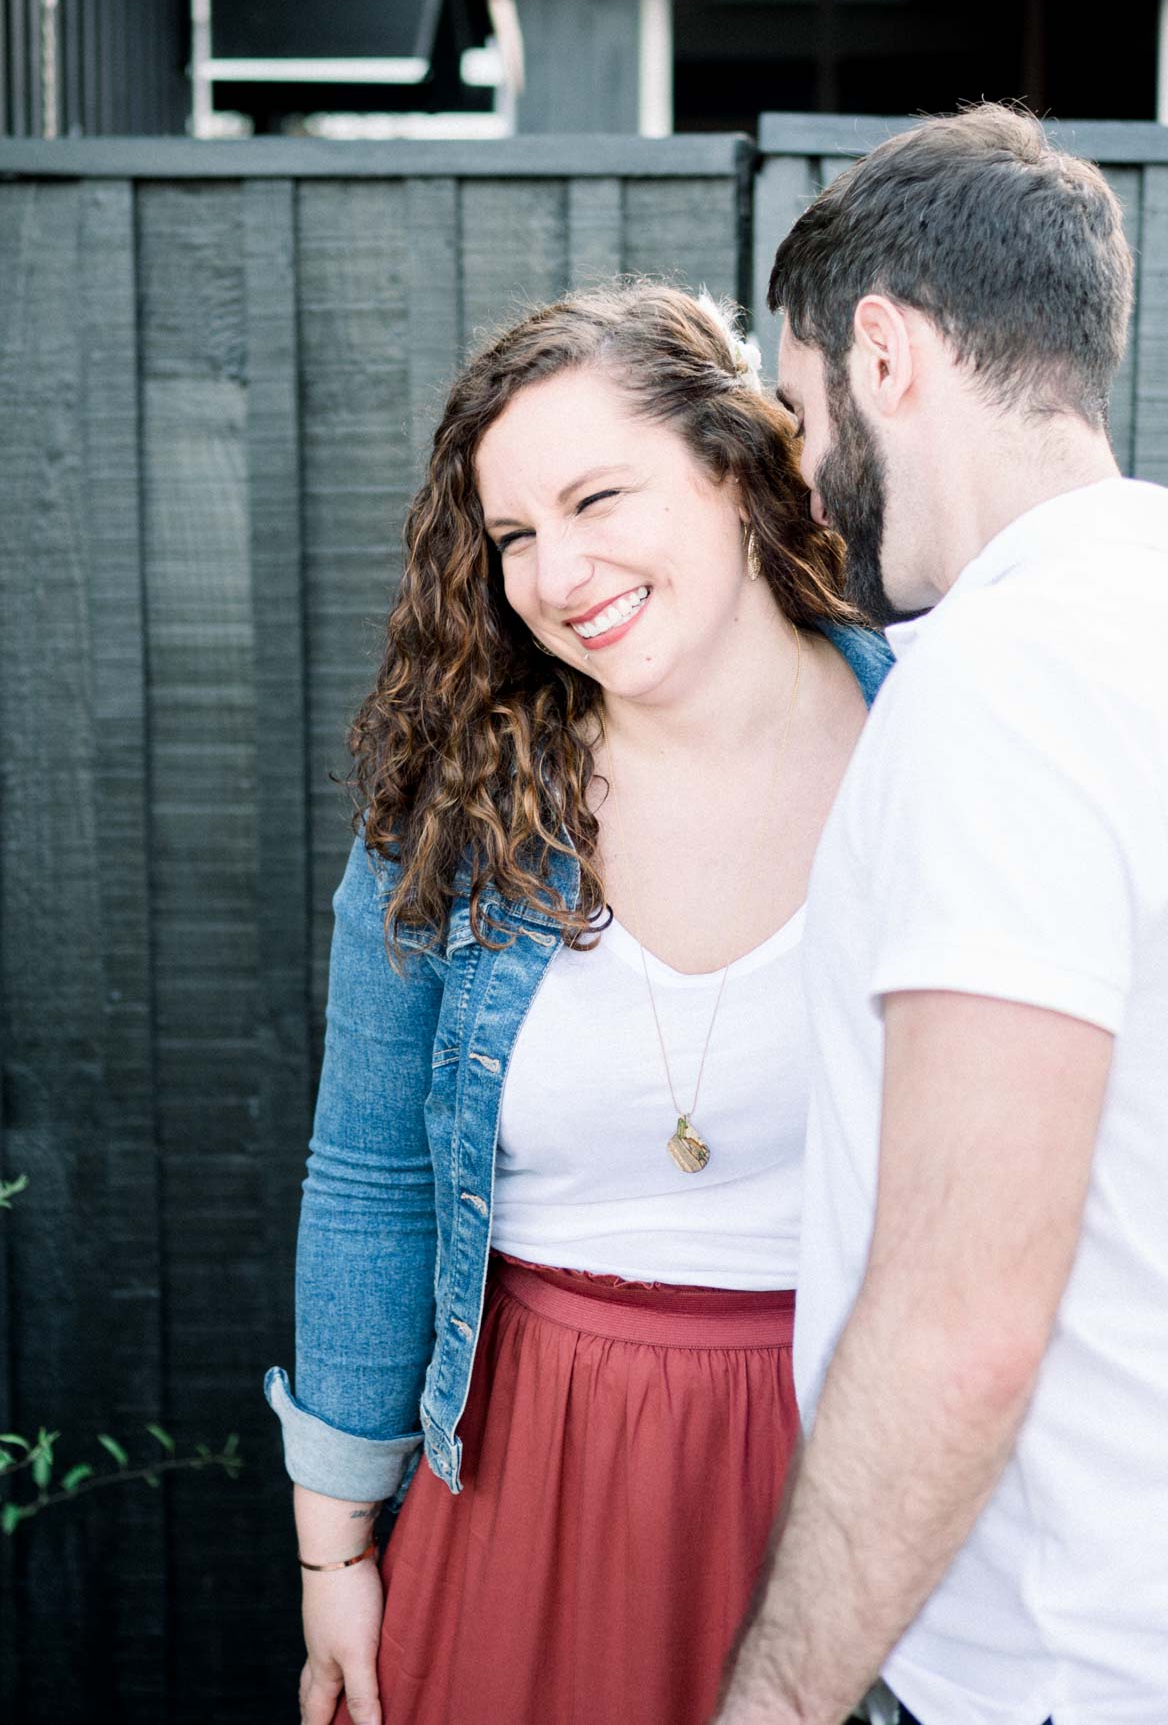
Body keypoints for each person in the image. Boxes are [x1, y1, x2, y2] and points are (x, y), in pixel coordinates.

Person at [264, 283, 893, 1725]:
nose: (557, 572)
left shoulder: (938, 751)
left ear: (738, 471)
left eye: (600, 497)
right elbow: (367, 1177)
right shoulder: (457, 807)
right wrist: (335, 1549)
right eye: (516, 537)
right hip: (524, 1462)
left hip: (847, 1473)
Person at [716, 103, 1168, 1725]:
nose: (804, 482)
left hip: (1058, 1671)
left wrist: (778, 1703)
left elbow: (961, 1323)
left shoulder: (1008, 694)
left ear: (883, 356)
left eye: (800, 412)